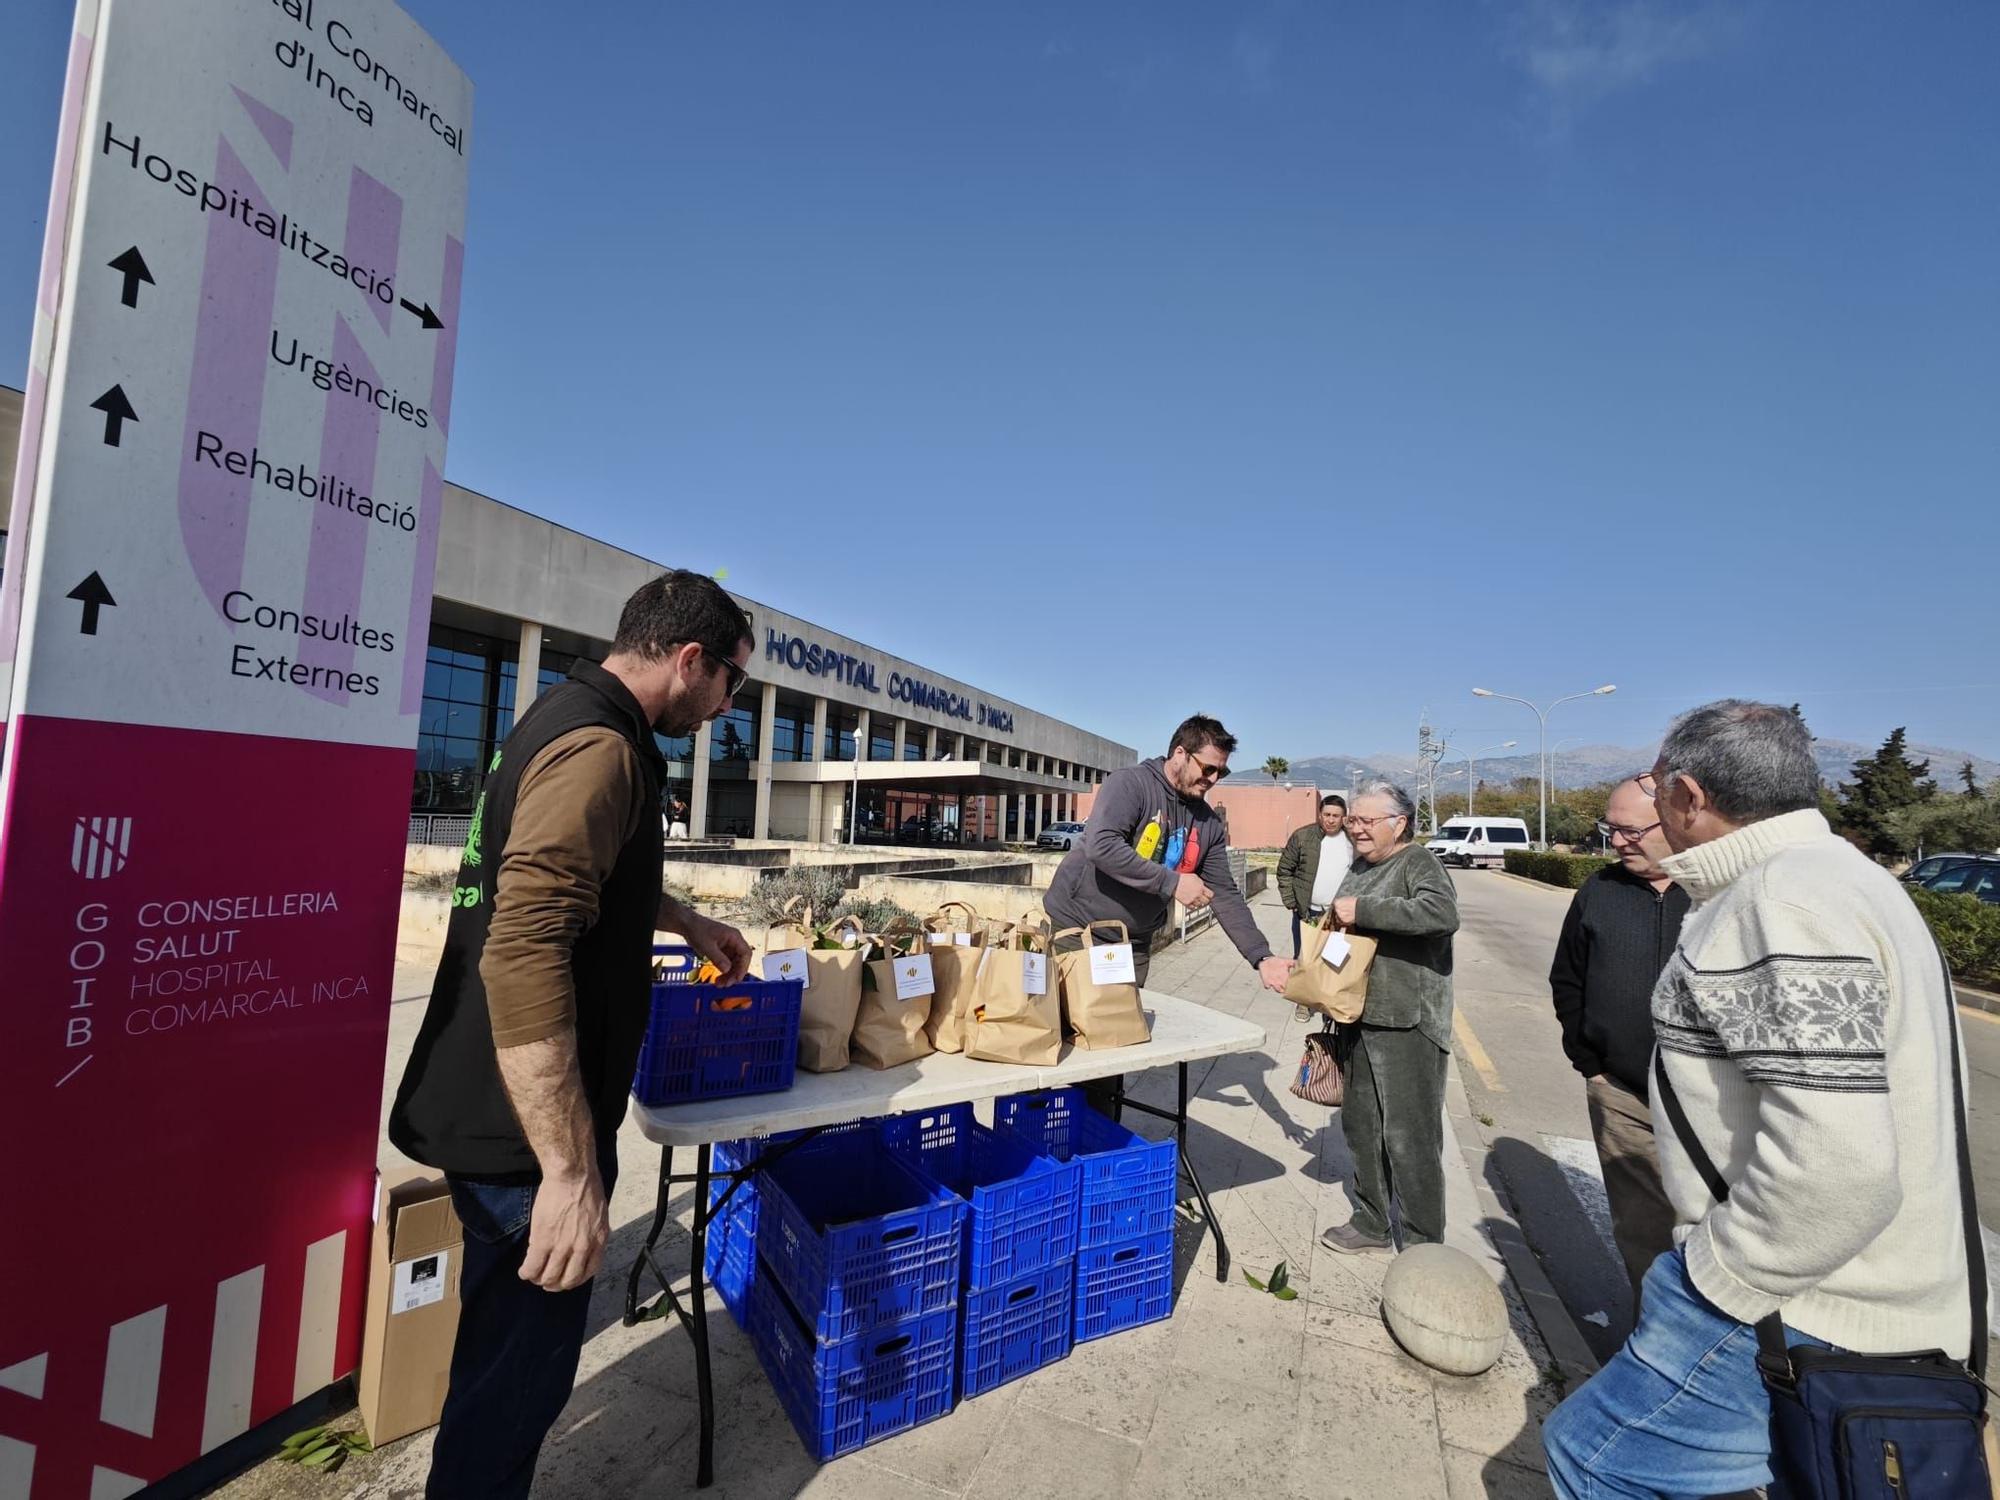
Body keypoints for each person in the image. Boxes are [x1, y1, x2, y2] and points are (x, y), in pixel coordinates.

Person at [1544, 701, 1976, 1498]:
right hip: (1833, 1301)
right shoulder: (1842, 879)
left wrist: (1707, 1280)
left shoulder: (1780, 905)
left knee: (1592, 1456)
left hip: (1798, 1303)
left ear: (1687, 795)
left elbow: (1838, 1168)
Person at [389, 570, 756, 1499]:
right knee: (515, 1386)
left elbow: (580, 879)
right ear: (688, 660)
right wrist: (566, 1171)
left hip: (501, 1112)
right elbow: (523, 951)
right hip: (523, 1139)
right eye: (732, 685)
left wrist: (677, 920)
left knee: (501, 1364)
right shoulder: (601, 748)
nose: (728, 707)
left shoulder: (573, 715)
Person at [1547, 776, 1689, 1305]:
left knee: (1713, 1238)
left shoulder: (1716, 895)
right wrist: (1592, 1064)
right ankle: (1654, 1343)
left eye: (1631, 831)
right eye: (1612, 829)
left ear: (1673, 821)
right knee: (1642, 1235)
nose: (1618, 841)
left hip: (1710, 1108)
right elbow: (1568, 979)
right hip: (1624, 1097)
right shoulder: (1600, 891)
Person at [1045, 712, 1293, 994]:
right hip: (1077, 928)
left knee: (1118, 1027)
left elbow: (1223, 892)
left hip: (1133, 943)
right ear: (1180, 753)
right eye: (1208, 768)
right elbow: (1102, 845)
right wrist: (1172, 882)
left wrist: (1262, 956)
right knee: (1067, 1025)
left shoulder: (1208, 822)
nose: (1212, 779)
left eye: (1221, 772)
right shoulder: (1131, 784)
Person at [1320, 781, 1459, 1254]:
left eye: (1365, 821)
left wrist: (1364, 909)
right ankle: (1371, 1221)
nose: (1355, 829)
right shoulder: (1361, 865)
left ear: (1398, 824)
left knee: (1410, 1136)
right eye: (1353, 821)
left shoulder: (1419, 862)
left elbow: (1441, 913)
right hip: (1359, 1015)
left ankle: (1424, 1244)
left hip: (1408, 1022)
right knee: (1361, 1126)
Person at [1276, 793, 1352, 961]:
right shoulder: (1302, 836)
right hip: (1306, 913)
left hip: (1338, 916)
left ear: (1343, 818)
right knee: (1303, 961)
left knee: (1333, 963)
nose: (1330, 820)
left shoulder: (1352, 841)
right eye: (1327, 815)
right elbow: (1284, 870)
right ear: (1320, 815)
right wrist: (1292, 902)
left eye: (1336, 816)